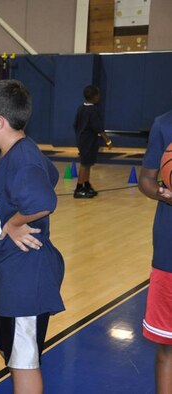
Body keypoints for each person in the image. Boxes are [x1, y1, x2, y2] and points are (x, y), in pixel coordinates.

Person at [0, 79, 65, 394]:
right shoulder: (17, 153)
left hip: (27, 277)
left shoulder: (23, 157)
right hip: (12, 276)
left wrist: (14, 223)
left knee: (24, 362)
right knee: (12, 354)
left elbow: (44, 201)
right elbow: (49, 174)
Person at [138, 109, 172, 394]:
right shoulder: (163, 124)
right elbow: (146, 179)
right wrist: (163, 193)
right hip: (168, 249)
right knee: (167, 347)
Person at [72, 85, 113, 198]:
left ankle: (86, 184)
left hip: (82, 140)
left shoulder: (81, 108)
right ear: (95, 97)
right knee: (85, 164)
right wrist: (108, 141)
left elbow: (75, 124)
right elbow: (98, 128)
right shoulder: (93, 110)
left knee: (88, 163)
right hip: (88, 141)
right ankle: (79, 188)